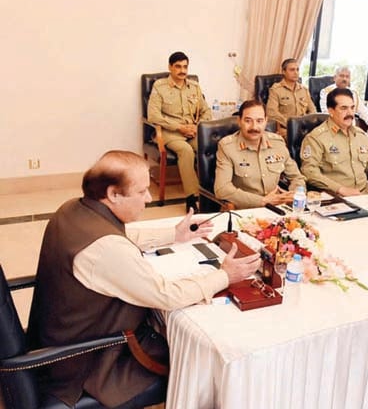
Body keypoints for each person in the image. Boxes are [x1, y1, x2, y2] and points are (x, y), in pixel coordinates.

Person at [26, 151, 261, 408]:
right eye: (142, 192)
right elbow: (167, 296)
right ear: (114, 194)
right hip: (87, 361)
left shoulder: (74, 208)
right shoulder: (105, 248)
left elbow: (121, 239)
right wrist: (225, 275)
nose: (148, 199)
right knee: (201, 360)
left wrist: (174, 234)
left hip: (57, 337)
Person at [147, 51, 212, 212]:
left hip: (193, 131)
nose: (182, 70)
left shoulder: (194, 87)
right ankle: (191, 198)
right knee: (186, 151)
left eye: (185, 67)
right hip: (171, 132)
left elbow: (206, 111)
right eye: (178, 66)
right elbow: (153, 115)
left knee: (210, 149)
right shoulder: (160, 86)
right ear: (170, 67)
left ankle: (211, 194)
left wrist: (197, 127)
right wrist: (179, 127)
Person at [300, 88, 368, 196]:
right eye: (344, 108)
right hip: (336, 197)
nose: (350, 113)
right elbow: (309, 171)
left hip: (365, 194)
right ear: (331, 111)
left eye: (352, 108)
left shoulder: (360, 135)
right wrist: (340, 189)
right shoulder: (316, 138)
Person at [214, 100, 306, 208]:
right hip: (244, 210)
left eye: (259, 121)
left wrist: (294, 194)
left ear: (266, 121)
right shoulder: (227, 147)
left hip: (278, 208)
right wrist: (262, 201)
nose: (254, 127)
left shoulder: (277, 143)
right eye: (248, 121)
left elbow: (297, 177)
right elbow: (222, 189)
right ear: (239, 121)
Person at [266, 58, 316, 138]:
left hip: (304, 128)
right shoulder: (276, 90)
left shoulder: (304, 90)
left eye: (297, 70)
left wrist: (306, 123)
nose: (296, 73)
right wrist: (292, 124)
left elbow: (312, 110)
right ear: (284, 72)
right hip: (286, 129)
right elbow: (272, 113)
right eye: (292, 70)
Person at [320, 66, 368, 132]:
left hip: (352, 130)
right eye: (341, 76)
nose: (344, 79)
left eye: (347, 76)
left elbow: (363, 111)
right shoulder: (326, 92)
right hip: (334, 130)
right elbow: (326, 114)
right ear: (334, 78)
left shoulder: (353, 93)